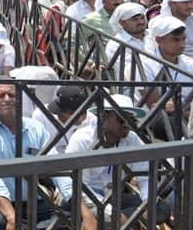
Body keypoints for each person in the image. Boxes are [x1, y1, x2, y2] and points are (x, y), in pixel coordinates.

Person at [54, 94, 171, 230]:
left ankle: (120, 221)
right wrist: (111, 212)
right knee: (87, 212)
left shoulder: (132, 140)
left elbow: (146, 177)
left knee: (161, 208)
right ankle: (123, 222)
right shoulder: (83, 139)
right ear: (104, 116)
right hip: (84, 200)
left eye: (131, 119)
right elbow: (75, 185)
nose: (127, 125)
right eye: (122, 119)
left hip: (113, 198)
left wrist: (147, 203)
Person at [0, 80, 53, 230]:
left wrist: (81, 207)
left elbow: (57, 164)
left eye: (11, 95)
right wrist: (11, 216)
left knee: (68, 216)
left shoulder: (36, 128)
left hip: (33, 203)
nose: (7, 99)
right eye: (1, 95)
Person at [31, 85, 95, 154]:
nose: (58, 115)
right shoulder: (41, 114)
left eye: (61, 112)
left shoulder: (92, 120)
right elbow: (34, 149)